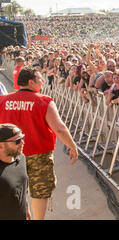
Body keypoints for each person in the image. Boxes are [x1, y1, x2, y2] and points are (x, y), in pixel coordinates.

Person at [0, 67, 78, 220]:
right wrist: (72, 146)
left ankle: (24, 212)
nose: (42, 81)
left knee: (18, 188)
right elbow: (59, 128)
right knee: (39, 190)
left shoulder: (3, 101)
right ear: (31, 82)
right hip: (39, 154)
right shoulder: (44, 101)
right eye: (39, 78)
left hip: (10, 155)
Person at [0, 123, 31, 220]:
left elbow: (22, 188)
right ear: (1, 145)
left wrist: (26, 207)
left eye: (23, 138)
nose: (23, 142)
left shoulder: (21, 159)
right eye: (17, 141)